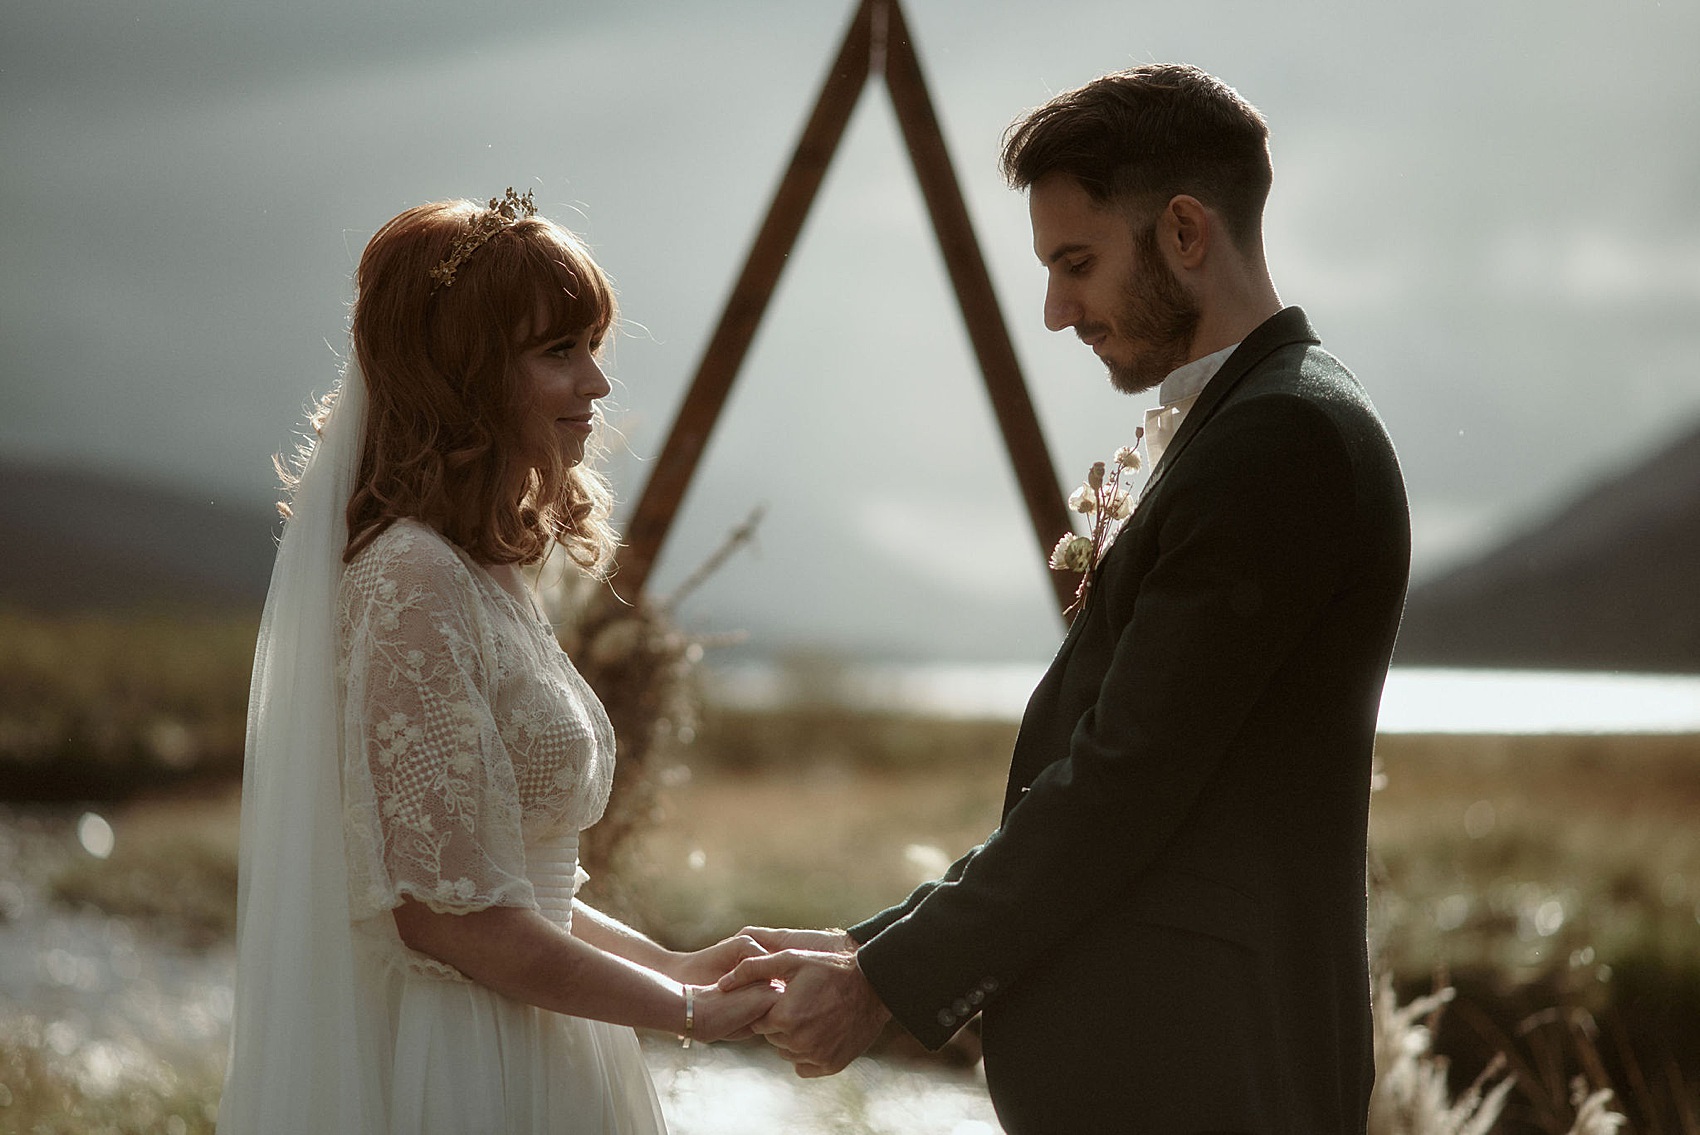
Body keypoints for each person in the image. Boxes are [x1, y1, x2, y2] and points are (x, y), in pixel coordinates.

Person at [722, 64, 1412, 1134]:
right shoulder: (1255, 421)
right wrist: (866, 947)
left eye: (1074, 263)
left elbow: (1124, 775)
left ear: (1185, 230)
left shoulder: (1280, 440)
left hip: (1200, 1073)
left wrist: (882, 978)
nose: (1053, 311)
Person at [217, 188, 779, 1135]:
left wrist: (680, 966)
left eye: (591, 346)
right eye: (560, 351)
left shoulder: (478, 570)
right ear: (464, 376)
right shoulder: (409, 578)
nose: (597, 383)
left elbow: (514, 885)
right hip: (476, 1064)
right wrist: (681, 1013)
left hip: (547, 1035)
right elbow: (448, 919)